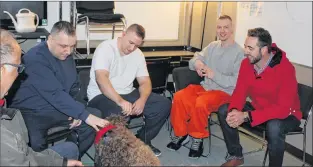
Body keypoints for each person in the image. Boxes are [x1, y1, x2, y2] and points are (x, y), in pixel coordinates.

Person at [9, 21, 109, 159]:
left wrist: (77, 111)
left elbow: (74, 87)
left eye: (72, 46)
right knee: (36, 146)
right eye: (63, 46)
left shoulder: (66, 56)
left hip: (56, 106)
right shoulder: (35, 58)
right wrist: (84, 115)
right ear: (50, 39)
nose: (68, 51)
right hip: (31, 111)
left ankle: (69, 158)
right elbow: (54, 93)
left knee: (94, 117)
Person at [217, 27, 302, 167]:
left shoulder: (285, 68)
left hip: (287, 114)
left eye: (250, 48)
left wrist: (245, 116)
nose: (245, 52)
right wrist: (234, 111)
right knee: (224, 110)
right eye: (245, 47)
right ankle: (236, 155)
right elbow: (239, 92)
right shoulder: (247, 64)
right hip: (259, 109)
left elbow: (283, 108)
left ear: (263, 50)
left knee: (274, 126)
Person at [0, 29, 83, 166]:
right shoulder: (36, 58)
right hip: (34, 113)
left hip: (28, 153)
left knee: (70, 149)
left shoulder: (3, 105)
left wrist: (61, 162)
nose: (19, 75)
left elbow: (25, 153)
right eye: (18, 68)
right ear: (2, 70)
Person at [166, 15, 245, 158]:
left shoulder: (239, 53)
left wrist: (213, 75)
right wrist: (198, 64)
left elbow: (236, 82)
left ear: (232, 29)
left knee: (200, 103)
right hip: (206, 88)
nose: (222, 31)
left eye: (226, 27)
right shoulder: (213, 46)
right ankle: (181, 133)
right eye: (219, 27)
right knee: (179, 97)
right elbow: (194, 59)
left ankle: (197, 138)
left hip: (224, 92)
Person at [87, 23, 171, 156]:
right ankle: (118, 150)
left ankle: (142, 140)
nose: (132, 48)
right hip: (100, 94)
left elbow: (144, 82)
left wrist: (142, 100)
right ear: (123, 34)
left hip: (127, 92)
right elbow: (101, 80)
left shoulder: (138, 54)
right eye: (130, 42)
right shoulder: (106, 48)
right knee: (118, 111)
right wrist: (120, 101)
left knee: (162, 104)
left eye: (137, 45)